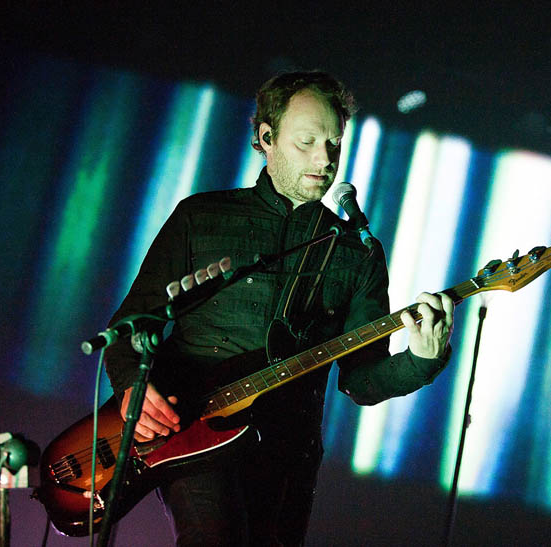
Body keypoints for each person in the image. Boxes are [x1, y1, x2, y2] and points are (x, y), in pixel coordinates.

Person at [104, 71, 455, 546]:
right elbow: (130, 324)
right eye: (307, 141)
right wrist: (131, 385)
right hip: (193, 432)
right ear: (265, 137)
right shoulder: (201, 216)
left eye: (334, 144)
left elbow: (360, 380)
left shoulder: (359, 252)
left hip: (288, 453)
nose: (324, 159)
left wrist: (422, 358)